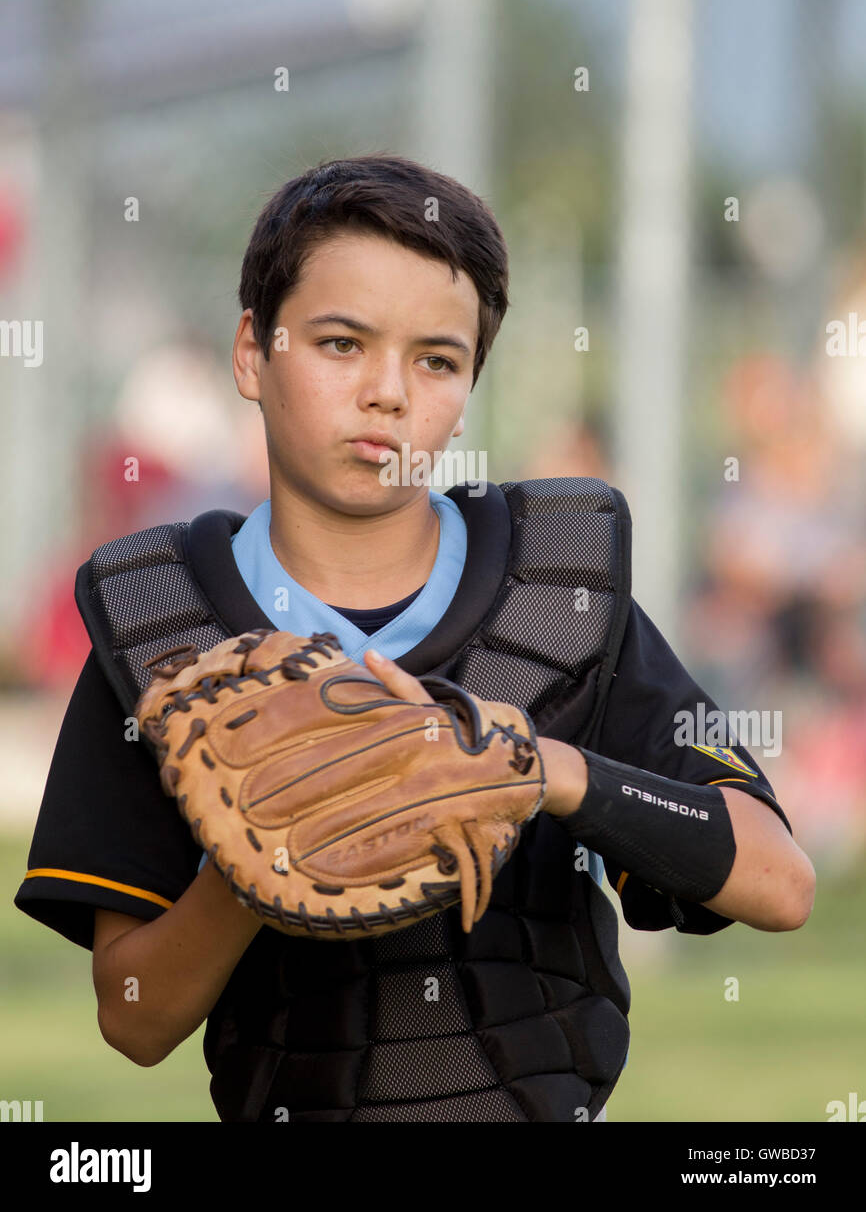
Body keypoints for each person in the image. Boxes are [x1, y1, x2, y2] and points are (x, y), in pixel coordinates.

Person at [14, 155, 815, 1123]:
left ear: (469, 382)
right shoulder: (164, 623)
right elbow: (133, 1019)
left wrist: (544, 769)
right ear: (249, 354)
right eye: (341, 343)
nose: (387, 393)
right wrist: (261, 864)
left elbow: (779, 882)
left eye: (435, 359)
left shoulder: (558, 593)